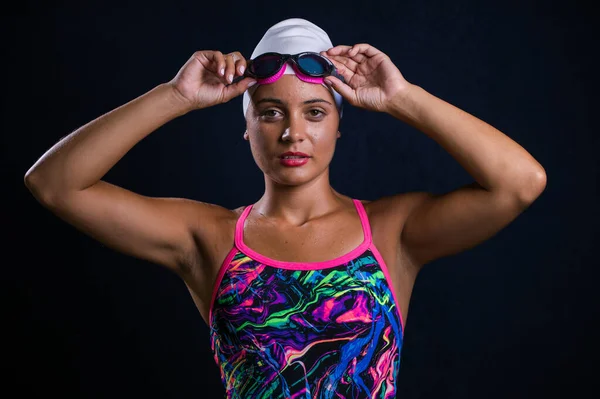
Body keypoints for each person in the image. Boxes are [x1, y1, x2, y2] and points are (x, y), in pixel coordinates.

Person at [24, 17, 546, 399]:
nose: (294, 132)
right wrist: (176, 96)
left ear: (339, 125)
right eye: (271, 113)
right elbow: (54, 184)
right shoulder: (209, 237)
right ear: (246, 126)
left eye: (315, 112)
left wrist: (401, 97)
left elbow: (520, 182)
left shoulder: (392, 233)